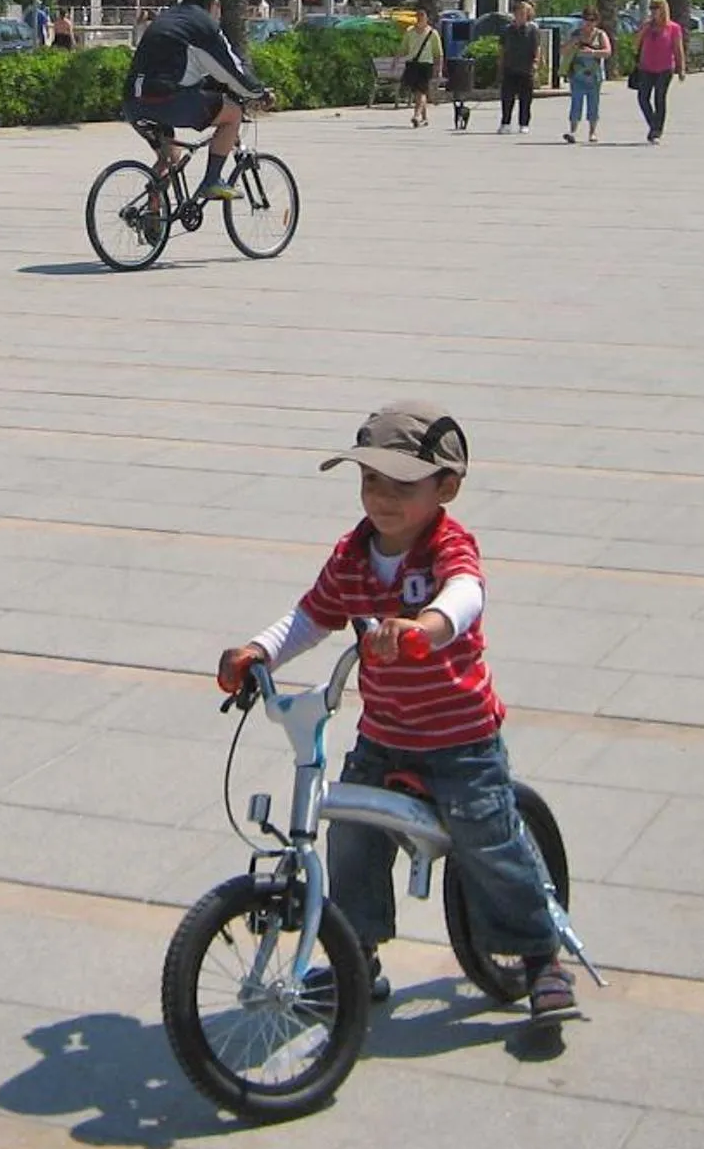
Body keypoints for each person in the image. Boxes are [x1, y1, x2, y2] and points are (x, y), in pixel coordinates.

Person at [214, 403, 579, 1024]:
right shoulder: (353, 553)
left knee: (486, 840)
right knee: (352, 836)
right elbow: (314, 616)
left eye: (402, 486)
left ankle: (541, 954)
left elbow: (465, 595)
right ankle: (357, 955)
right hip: (384, 734)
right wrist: (259, 651)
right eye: (370, 482)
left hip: (460, 737)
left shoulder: (447, 546)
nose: (382, 499)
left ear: (447, 488)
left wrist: (425, 628)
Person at [123, 0, 265, 201]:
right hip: (167, 100)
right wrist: (259, 93)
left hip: (134, 102)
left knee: (170, 157)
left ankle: (152, 214)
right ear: (212, 4)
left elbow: (187, 66)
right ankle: (211, 181)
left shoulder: (167, 18)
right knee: (232, 114)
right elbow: (231, 69)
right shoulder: (203, 24)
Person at [631, 0, 685, 144]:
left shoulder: (673, 28)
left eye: (657, 8)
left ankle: (656, 130)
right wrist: (643, 30)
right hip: (646, 67)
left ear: (664, 10)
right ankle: (653, 124)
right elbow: (635, 45)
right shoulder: (647, 26)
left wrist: (681, 68)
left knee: (659, 98)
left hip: (665, 68)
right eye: (652, 8)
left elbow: (678, 49)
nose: (654, 11)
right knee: (643, 98)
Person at [562, 12, 609, 144]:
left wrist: (593, 52)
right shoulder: (576, 34)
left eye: (592, 20)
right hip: (577, 75)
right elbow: (564, 51)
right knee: (576, 103)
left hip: (595, 75)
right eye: (586, 20)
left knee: (593, 104)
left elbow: (608, 52)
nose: (589, 23)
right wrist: (573, 43)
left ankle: (592, 132)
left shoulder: (600, 35)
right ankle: (573, 131)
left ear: (596, 21)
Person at [492, 1, 539, 132]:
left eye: (523, 13)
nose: (520, 16)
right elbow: (502, 48)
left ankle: (524, 124)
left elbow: (536, 48)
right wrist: (500, 63)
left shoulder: (533, 30)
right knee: (507, 98)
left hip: (526, 68)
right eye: (517, 13)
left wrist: (536, 63)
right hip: (510, 67)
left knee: (525, 99)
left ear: (527, 15)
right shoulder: (507, 30)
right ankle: (505, 123)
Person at [400, 11, 443, 128]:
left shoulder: (432, 33)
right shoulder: (409, 32)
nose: (419, 20)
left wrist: (439, 69)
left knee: (421, 91)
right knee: (417, 92)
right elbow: (403, 48)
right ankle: (424, 118)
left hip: (426, 65)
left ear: (426, 19)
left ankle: (416, 115)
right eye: (418, 17)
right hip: (412, 64)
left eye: (422, 17)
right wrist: (396, 60)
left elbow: (438, 53)